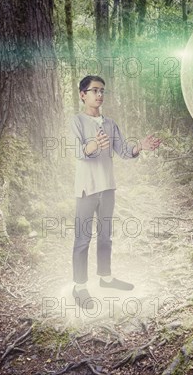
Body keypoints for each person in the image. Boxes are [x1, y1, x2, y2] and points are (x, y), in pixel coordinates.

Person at [69, 75, 161, 309]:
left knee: (105, 236)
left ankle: (106, 278)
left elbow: (123, 151)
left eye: (102, 91)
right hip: (86, 189)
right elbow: (77, 151)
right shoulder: (76, 121)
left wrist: (140, 146)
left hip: (107, 188)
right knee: (82, 238)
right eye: (94, 91)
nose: (99, 95)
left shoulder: (110, 123)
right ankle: (79, 287)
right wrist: (93, 145)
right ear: (83, 95)